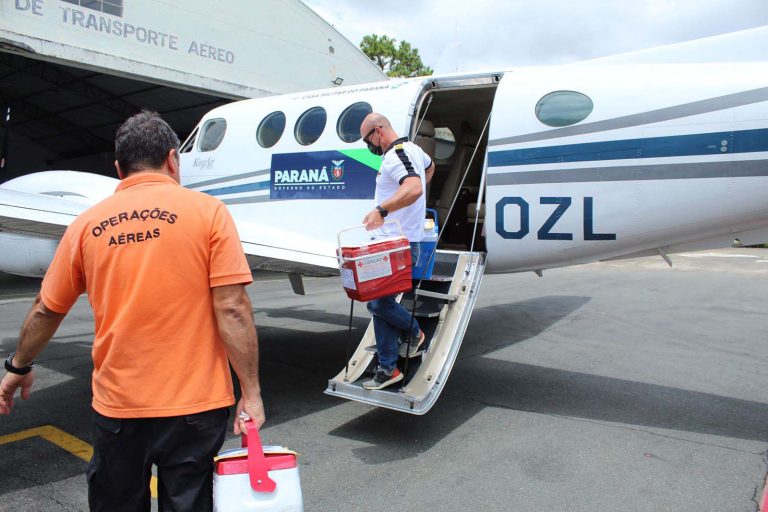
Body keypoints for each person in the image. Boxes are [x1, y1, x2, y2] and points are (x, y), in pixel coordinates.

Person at [0, 111, 264, 512]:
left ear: (120, 169)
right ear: (173, 160)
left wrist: (18, 367)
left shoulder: (86, 224)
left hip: (120, 408)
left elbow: (46, 309)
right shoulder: (209, 213)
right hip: (196, 407)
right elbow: (233, 309)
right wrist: (252, 393)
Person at [359, 113, 435, 390]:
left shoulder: (395, 155)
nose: (371, 148)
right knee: (380, 304)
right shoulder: (414, 151)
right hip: (399, 243)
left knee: (378, 304)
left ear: (378, 131)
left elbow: (413, 186)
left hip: (397, 245)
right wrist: (413, 201)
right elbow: (430, 168)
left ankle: (414, 332)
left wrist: (383, 210)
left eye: (368, 141)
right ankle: (387, 369)